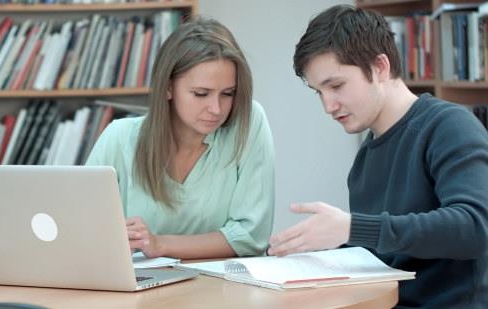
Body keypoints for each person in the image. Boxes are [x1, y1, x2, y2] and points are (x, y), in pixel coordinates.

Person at [268, 5, 488, 308]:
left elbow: (475, 227)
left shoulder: (449, 127)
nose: (328, 106)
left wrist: (351, 227)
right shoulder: (366, 158)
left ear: (380, 67)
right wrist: (315, 251)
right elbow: (385, 252)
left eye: (336, 86)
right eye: (319, 92)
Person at [86, 17, 275, 259]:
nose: (216, 109)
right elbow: (83, 231)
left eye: (228, 93)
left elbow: (250, 237)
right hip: (138, 290)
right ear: (167, 88)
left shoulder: (249, 122)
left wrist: (160, 244)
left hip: (222, 290)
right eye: (201, 94)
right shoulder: (119, 138)